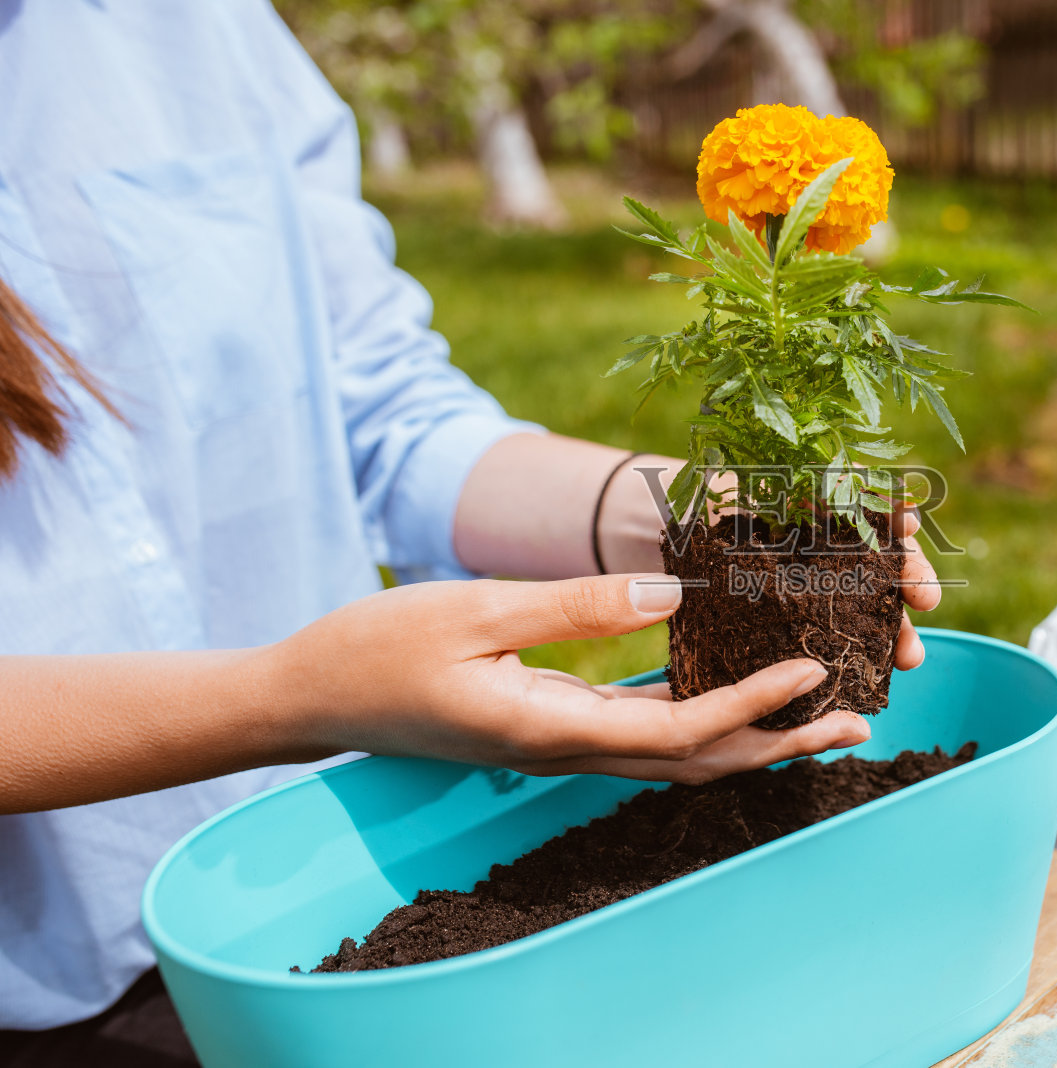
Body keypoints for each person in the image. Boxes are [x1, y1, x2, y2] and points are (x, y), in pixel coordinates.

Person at [0, 1, 940, 1059]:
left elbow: (387, 418)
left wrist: (685, 512)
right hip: (45, 992)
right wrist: (292, 698)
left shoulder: (188, 23)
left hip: (353, 864)